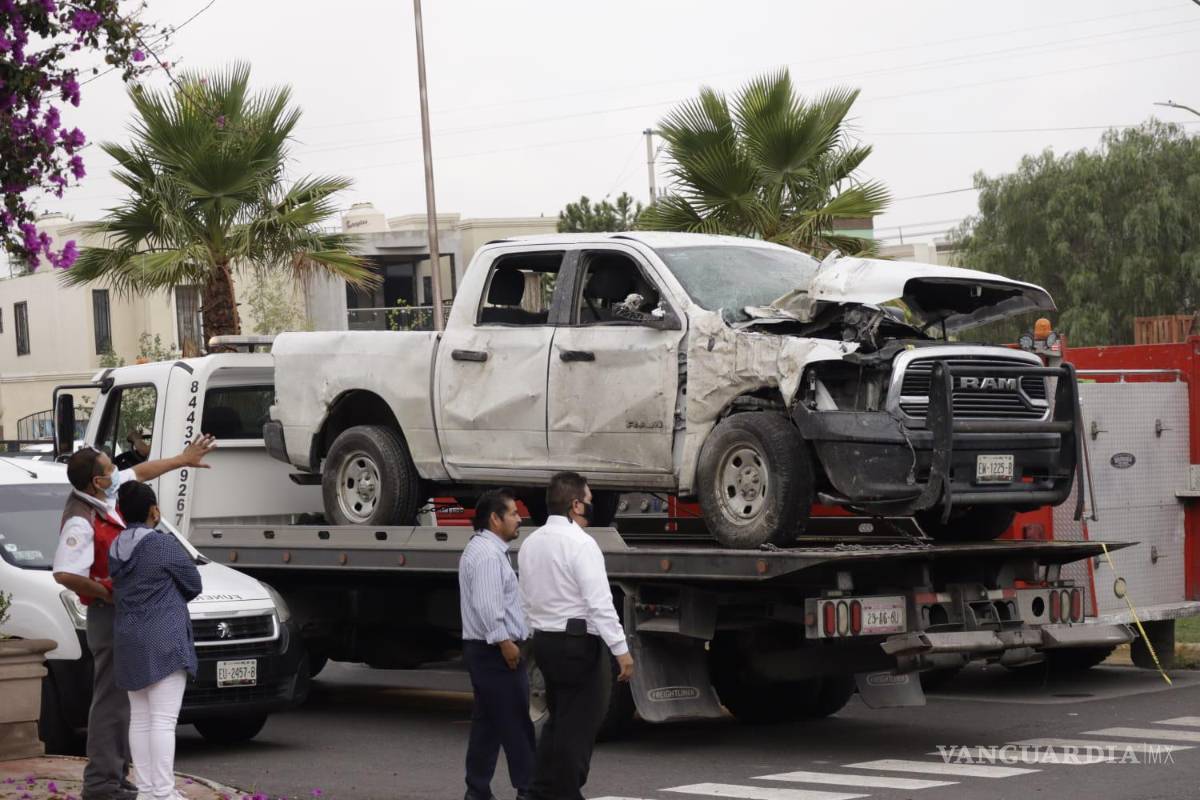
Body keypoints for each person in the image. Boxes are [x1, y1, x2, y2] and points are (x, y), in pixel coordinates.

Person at [51, 436, 216, 800]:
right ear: (97, 480)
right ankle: (103, 783)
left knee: (133, 709)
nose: (118, 470)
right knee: (115, 703)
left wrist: (183, 459)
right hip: (109, 614)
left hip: (127, 615)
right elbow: (64, 573)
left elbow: (141, 470)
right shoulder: (81, 518)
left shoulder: (104, 494)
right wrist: (108, 591)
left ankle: (131, 782)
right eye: (110, 467)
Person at [517, 472, 635, 800]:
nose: (593, 507)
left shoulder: (531, 543)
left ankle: (540, 790)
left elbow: (526, 597)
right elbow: (600, 603)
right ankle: (567, 793)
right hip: (579, 644)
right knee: (580, 725)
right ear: (575, 505)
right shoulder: (582, 544)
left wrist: (530, 638)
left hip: (546, 642)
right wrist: (621, 650)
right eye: (590, 501)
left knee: (559, 720)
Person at [109, 481, 201, 800]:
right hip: (164, 639)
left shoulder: (115, 547)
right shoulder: (163, 545)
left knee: (141, 719)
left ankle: (147, 790)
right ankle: (163, 792)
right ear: (153, 510)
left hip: (128, 639)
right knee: (163, 721)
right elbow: (193, 583)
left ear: (120, 512)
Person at [458, 489, 535, 800]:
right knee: (516, 723)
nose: (519, 519)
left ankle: (477, 791)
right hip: (494, 651)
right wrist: (505, 643)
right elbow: (489, 607)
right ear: (494, 519)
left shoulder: (481, 549)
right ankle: (528, 790)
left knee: (487, 725)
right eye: (513, 514)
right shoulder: (488, 556)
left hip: (484, 650)